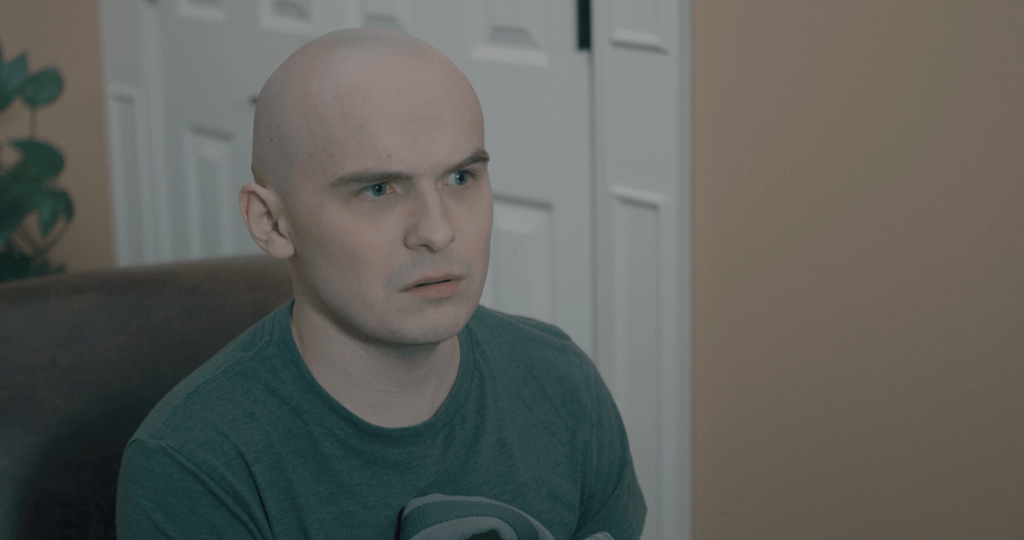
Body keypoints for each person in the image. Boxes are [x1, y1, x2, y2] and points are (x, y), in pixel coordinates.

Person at [116, 28, 645, 540]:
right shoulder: (193, 466)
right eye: (378, 189)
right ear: (271, 223)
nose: (437, 231)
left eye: (460, 178)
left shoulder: (563, 383)